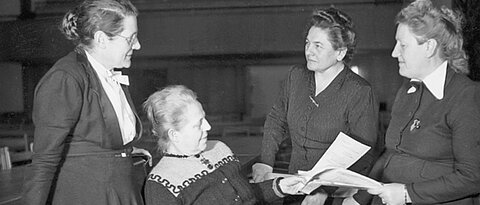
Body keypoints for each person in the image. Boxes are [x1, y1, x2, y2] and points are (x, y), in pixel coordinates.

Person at [22, 0, 151, 204]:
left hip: (118, 191)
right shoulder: (65, 78)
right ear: (101, 39)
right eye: (131, 38)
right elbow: (44, 161)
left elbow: (89, 137)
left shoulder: (107, 73)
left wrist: (124, 151)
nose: (137, 45)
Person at [251, 6, 379, 205]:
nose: (309, 51)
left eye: (318, 45)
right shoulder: (297, 76)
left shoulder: (359, 91)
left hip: (337, 194)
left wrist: (325, 189)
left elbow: (364, 153)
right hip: (294, 186)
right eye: (307, 43)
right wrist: (265, 162)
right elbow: (276, 120)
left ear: (340, 52)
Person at [362, 0, 480, 204]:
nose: (394, 52)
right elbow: (390, 155)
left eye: (403, 45)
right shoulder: (407, 90)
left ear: (429, 47)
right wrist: (359, 198)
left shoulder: (465, 95)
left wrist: (408, 193)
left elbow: (472, 177)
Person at [142, 85, 306, 205]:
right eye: (198, 124)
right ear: (174, 135)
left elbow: (246, 194)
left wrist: (281, 186)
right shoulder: (160, 183)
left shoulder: (219, 149)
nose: (208, 127)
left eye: (204, 118)